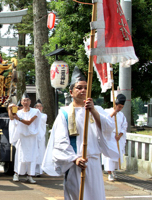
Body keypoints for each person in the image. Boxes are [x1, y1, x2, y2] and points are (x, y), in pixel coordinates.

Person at [42, 66, 119, 200]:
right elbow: (60, 141)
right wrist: (74, 158)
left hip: (93, 162)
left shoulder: (97, 109)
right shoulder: (65, 113)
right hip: (76, 163)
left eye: (85, 87)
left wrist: (93, 111)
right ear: (71, 92)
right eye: (79, 87)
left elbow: (109, 128)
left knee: (96, 196)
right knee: (77, 196)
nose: (83, 90)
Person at [8, 92, 40, 184]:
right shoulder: (18, 112)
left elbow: (29, 122)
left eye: (27, 100)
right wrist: (10, 109)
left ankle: (30, 175)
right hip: (22, 138)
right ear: (21, 102)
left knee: (31, 156)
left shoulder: (35, 111)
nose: (25, 102)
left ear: (30, 102)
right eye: (24, 100)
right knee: (19, 156)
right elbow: (12, 118)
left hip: (31, 138)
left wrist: (19, 119)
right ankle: (16, 174)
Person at [102, 94, 128, 181]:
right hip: (109, 137)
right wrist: (114, 112)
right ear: (115, 104)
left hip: (117, 137)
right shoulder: (107, 111)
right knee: (109, 155)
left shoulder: (122, 115)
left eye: (122, 107)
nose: (120, 109)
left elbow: (124, 126)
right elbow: (105, 120)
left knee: (117, 155)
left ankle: (114, 171)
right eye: (119, 106)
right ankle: (109, 172)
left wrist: (120, 135)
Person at [34, 99, 47, 176]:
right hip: (34, 135)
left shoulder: (44, 115)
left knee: (41, 151)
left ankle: (40, 170)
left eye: (40, 106)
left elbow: (40, 120)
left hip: (41, 135)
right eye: (37, 106)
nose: (39, 108)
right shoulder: (32, 114)